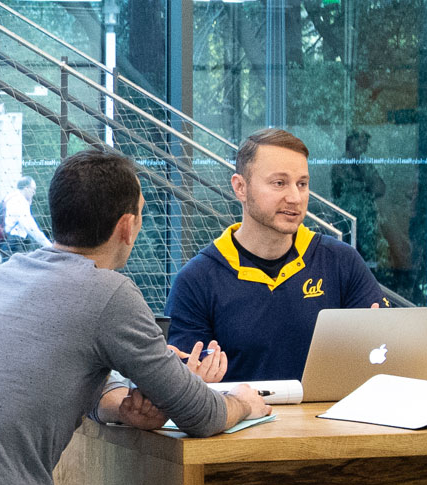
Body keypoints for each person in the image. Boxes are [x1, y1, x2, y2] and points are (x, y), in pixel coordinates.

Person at [0, 150, 271, 485]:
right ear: (127, 227)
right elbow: (202, 415)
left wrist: (120, 406)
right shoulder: (108, 292)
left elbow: (58, 372)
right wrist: (243, 401)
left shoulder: (8, 273)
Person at [166, 128, 393, 384]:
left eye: (302, 184)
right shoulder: (196, 280)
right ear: (240, 187)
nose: (295, 198)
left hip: (329, 422)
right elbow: (183, 384)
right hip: (241, 421)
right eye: (279, 183)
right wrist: (192, 380)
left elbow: (386, 355)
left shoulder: (341, 261)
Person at [0, 177, 54, 256]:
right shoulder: (20, 201)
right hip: (14, 243)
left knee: (8, 265)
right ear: (26, 188)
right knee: (16, 266)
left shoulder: (10, 196)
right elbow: (30, 227)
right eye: (33, 189)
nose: (34, 193)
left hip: (6, 240)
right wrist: (49, 246)